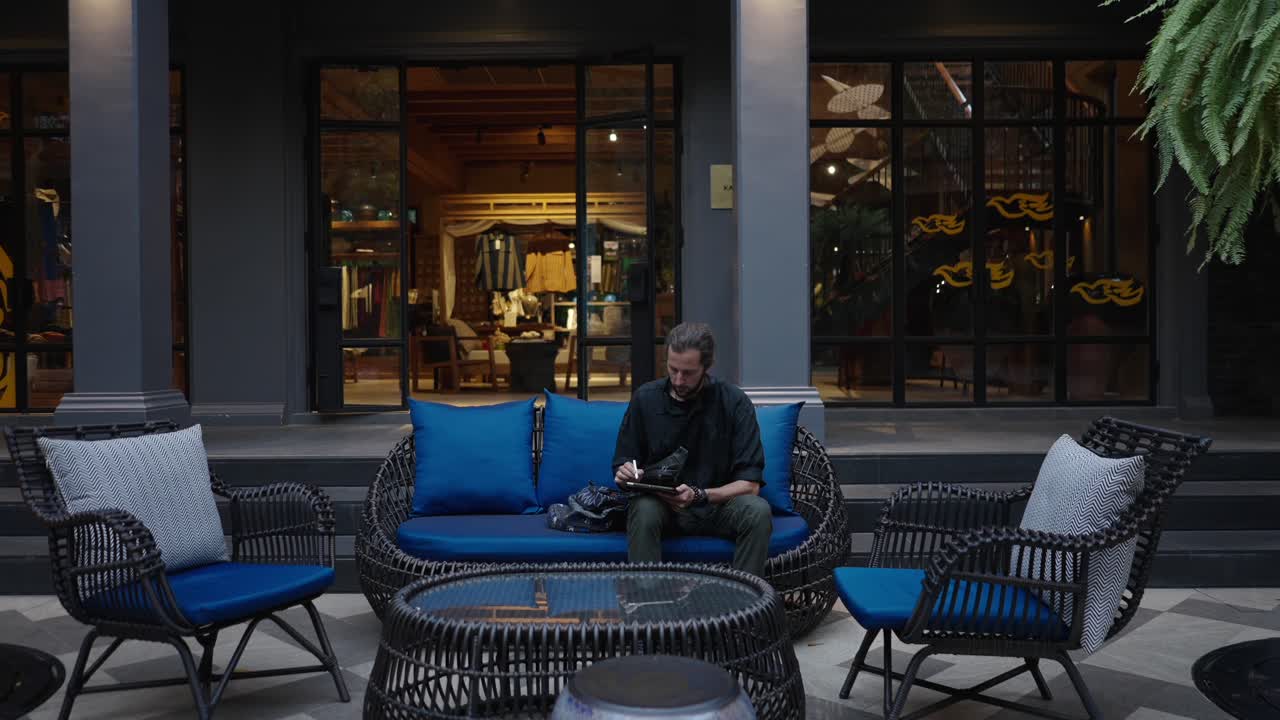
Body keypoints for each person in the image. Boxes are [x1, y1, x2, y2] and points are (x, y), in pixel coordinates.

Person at [612, 322, 772, 576]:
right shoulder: (646, 398)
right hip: (663, 508)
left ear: (706, 367)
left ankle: (744, 608)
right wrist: (624, 473)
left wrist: (699, 495)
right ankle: (647, 608)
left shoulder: (734, 402)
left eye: (688, 373)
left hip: (717, 506)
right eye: (672, 369)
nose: (678, 380)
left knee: (757, 511)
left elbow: (750, 485)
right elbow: (624, 462)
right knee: (643, 509)